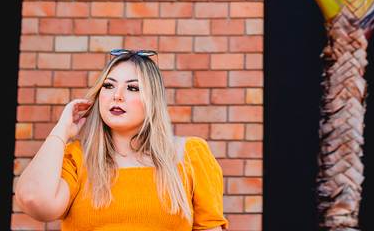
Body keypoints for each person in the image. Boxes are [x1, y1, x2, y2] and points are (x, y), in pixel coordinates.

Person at [14, 50, 228, 230]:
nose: (117, 95)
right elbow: (34, 200)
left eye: (132, 88)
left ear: (153, 101)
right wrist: (61, 131)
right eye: (108, 86)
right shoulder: (76, 157)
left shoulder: (189, 154)